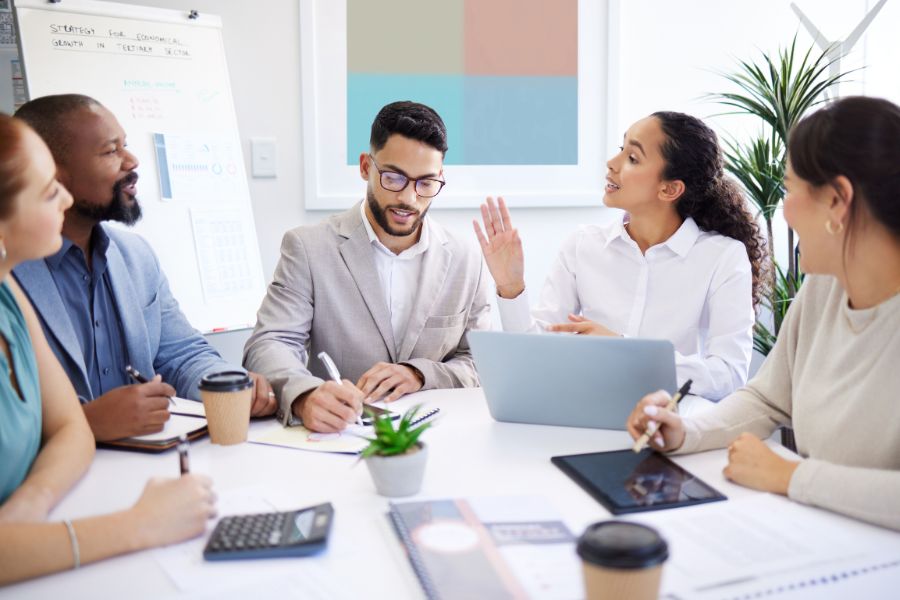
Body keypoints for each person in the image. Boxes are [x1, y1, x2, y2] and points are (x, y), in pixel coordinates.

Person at [626, 96, 900, 531]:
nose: (783, 209)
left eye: (790, 189)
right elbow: (766, 398)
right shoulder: (824, 288)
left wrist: (790, 476)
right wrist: (684, 432)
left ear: (837, 201)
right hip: (822, 531)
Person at [0, 113, 216, 585]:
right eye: (45, 188)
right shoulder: (17, 276)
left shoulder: (8, 294)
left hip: (83, 503)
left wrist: (24, 513)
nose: (60, 196)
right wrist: (140, 524)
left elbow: (69, 429)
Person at [11, 95, 276, 442]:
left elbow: (181, 354)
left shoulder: (136, 256)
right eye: (110, 151)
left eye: (127, 146)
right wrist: (86, 423)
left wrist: (229, 384)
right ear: (53, 172)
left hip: (145, 462)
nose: (132, 161)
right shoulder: (11, 272)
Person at [474, 112, 766, 400]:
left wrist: (623, 351)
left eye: (633, 158)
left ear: (670, 188)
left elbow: (729, 375)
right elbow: (532, 359)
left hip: (670, 426)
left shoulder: (722, 257)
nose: (612, 164)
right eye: (620, 150)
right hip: (583, 411)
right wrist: (511, 287)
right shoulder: (583, 245)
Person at [244, 101, 491, 433]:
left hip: (444, 438)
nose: (409, 198)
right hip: (341, 437)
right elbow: (269, 344)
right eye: (393, 178)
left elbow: (482, 363)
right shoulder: (308, 248)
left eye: (426, 183)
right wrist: (305, 395)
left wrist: (420, 374)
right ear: (365, 167)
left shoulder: (466, 257)